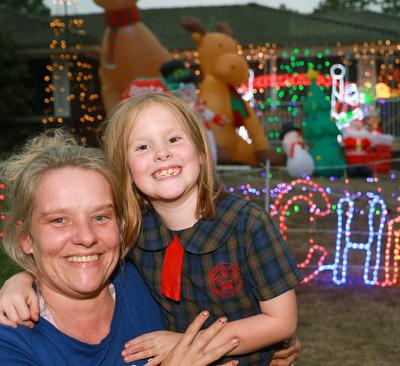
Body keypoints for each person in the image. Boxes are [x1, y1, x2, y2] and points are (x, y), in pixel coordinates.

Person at [0, 92, 302, 365]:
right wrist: (23, 279)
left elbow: (281, 323)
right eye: (143, 146)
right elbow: (66, 261)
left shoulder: (245, 224)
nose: (162, 153)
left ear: (200, 150)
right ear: (126, 170)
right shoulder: (136, 228)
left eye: (173, 140)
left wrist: (188, 344)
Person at [0, 130, 239, 365]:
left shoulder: (145, 278)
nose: (86, 237)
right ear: (26, 238)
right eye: (59, 220)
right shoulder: (11, 338)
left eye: (101, 217)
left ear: (122, 224)